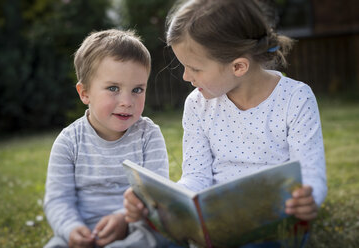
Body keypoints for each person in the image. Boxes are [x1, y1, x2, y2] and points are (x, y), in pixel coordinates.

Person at [124, 0, 327, 246]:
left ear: (238, 66)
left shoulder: (295, 98)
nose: (186, 76)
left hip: (273, 223)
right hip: (217, 222)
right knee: (152, 233)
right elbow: (196, 176)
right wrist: (168, 202)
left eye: (194, 68)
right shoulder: (197, 104)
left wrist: (309, 198)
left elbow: (310, 174)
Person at [44, 29, 171, 248]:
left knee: (157, 238)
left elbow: (156, 196)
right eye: (113, 88)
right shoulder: (68, 142)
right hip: (85, 229)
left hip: (136, 226)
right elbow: (58, 199)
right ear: (84, 93)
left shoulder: (148, 135)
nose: (127, 101)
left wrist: (124, 218)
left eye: (137, 90)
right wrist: (72, 229)